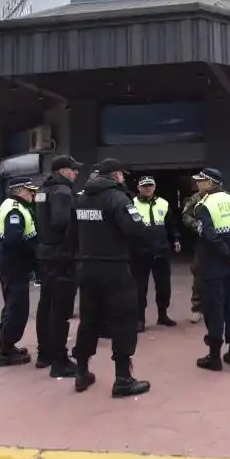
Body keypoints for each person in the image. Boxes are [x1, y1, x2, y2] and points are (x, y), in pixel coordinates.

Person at [72, 158, 150, 398]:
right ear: (115, 175)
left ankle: (81, 371)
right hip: (115, 267)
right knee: (124, 319)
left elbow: (71, 232)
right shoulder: (118, 198)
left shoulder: (81, 198)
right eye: (121, 174)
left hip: (87, 267)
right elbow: (135, 229)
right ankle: (123, 378)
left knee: (89, 319)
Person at [191, 168, 230, 371]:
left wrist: (228, 253)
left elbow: (209, 236)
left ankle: (214, 356)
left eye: (200, 181)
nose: (197, 184)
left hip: (212, 266)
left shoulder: (203, 206)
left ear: (209, 183)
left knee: (213, 309)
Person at [34, 155, 82, 377]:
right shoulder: (63, 192)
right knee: (61, 308)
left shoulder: (42, 190)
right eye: (73, 169)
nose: (76, 173)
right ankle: (59, 360)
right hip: (62, 256)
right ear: (63, 171)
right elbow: (62, 223)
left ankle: (44, 354)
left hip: (45, 254)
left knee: (46, 304)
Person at [0, 177, 40, 366]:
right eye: (30, 191)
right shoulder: (15, 210)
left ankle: (7, 345)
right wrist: (34, 251)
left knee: (12, 308)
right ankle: (5, 351)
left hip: (11, 266)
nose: (32, 194)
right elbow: (13, 241)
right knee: (16, 310)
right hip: (14, 266)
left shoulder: (14, 205)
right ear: (19, 191)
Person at [130, 176, 181, 331]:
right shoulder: (131, 204)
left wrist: (176, 239)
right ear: (138, 188)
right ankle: (139, 319)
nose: (147, 188)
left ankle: (163, 315)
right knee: (139, 287)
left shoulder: (163, 203)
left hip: (161, 250)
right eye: (144, 186)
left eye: (150, 185)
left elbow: (171, 224)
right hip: (140, 252)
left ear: (154, 187)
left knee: (164, 285)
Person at [179, 185, 204, 324]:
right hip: (202, 241)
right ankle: (197, 308)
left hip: (222, 240)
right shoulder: (197, 197)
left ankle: (220, 307)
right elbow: (186, 215)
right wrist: (197, 225)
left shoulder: (227, 197)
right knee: (198, 271)